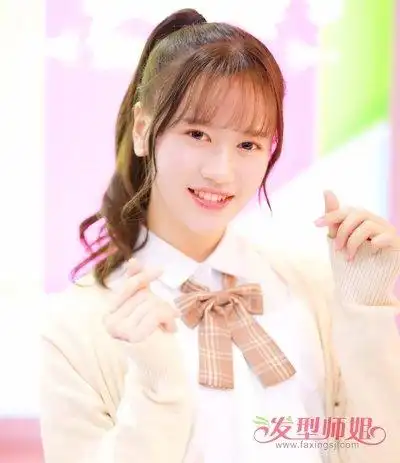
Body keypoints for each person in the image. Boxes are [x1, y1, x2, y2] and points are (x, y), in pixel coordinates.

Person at [39, 8, 400, 463]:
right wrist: (157, 388)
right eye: (197, 134)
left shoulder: (312, 288)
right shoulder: (78, 325)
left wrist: (366, 311)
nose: (221, 172)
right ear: (144, 130)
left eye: (248, 144)